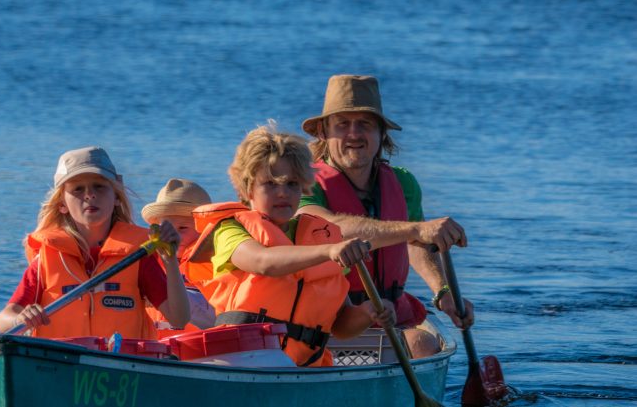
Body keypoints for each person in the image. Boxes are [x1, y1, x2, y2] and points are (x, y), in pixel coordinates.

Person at [183, 123, 395, 367]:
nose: (283, 193)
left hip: (304, 370)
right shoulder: (230, 229)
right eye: (271, 184)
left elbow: (340, 326)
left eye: (292, 184)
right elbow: (263, 262)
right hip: (241, 362)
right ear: (248, 188)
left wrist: (368, 313)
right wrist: (329, 251)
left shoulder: (322, 237)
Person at [298, 74, 474, 358]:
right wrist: (416, 230)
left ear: (382, 134)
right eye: (342, 124)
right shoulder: (303, 183)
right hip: (330, 320)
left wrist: (443, 293)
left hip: (390, 314)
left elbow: (414, 246)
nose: (353, 134)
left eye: (365, 124)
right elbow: (332, 229)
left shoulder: (403, 183)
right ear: (323, 133)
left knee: (422, 345)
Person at [0, 146, 190, 339]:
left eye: (99, 186)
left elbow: (179, 318)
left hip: (120, 364)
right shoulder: (46, 260)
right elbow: (3, 320)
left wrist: (170, 261)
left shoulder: (137, 256)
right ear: (62, 204)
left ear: (116, 197)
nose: (89, 195)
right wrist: (20, 320)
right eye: (78, 189)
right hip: (60, 362)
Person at [141, 178, 216, 337]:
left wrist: (155, 294)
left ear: (205, 230)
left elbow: (215, 314)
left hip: (201, 349)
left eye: (183, 228)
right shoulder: (149, 261)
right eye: (166, 228)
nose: (174, 235)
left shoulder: (216, 260)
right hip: (156, 347)